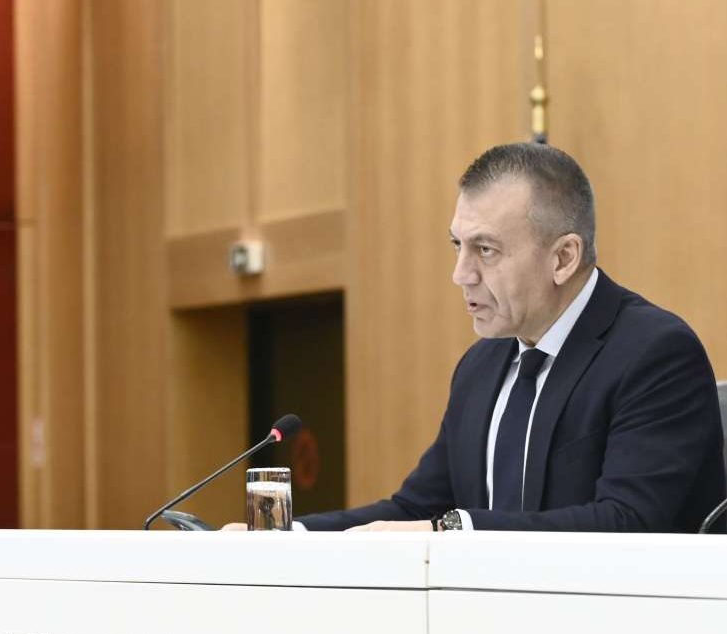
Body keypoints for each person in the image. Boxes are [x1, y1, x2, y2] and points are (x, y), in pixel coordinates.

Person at [300, 143, 724, 533]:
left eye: (485, 250)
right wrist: (289, 536)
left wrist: (456, 531)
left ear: (563, 258)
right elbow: (416, 510)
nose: (461, 274)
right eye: (458, 245)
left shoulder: (654, 353)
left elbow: (626, 522)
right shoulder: (480, 366)